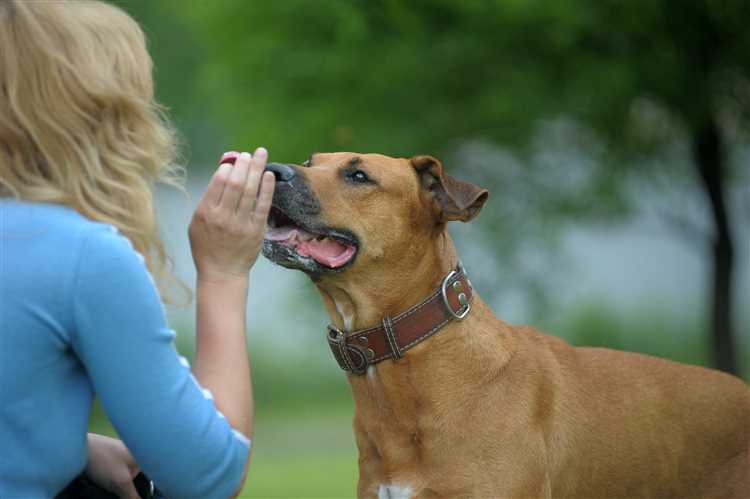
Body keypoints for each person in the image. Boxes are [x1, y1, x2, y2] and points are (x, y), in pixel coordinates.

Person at [0, 1, 275, 497]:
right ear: (94, 115)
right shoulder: (78, 254)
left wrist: (70, 446)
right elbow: (207, 477)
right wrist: (224, 272)